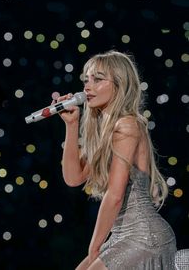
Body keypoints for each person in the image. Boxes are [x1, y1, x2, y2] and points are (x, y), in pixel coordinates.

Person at [57, 50, 177, 269]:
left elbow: (115, 194)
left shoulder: (128, 125)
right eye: (86, 79)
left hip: (144, 237)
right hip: (121, 235)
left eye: (98, 79)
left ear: (120, 85)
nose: (87, 86)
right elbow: (73, 178)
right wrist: (71, 125)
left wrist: (95, 247)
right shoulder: (104, 131)